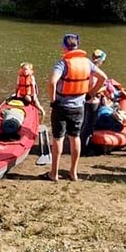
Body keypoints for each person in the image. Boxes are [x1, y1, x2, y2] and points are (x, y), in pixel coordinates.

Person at [47, 34, 107, 180]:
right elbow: (103, 77)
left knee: (58, 138)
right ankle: (73, 172)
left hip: (61, 106)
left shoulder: (62, 63)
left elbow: (52, 82)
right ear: (77, 46)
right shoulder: (87, 62)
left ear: (64, 47)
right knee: (75, 137)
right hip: (78, 107)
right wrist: (91, 93)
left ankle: (54, 173)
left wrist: (53, 99)